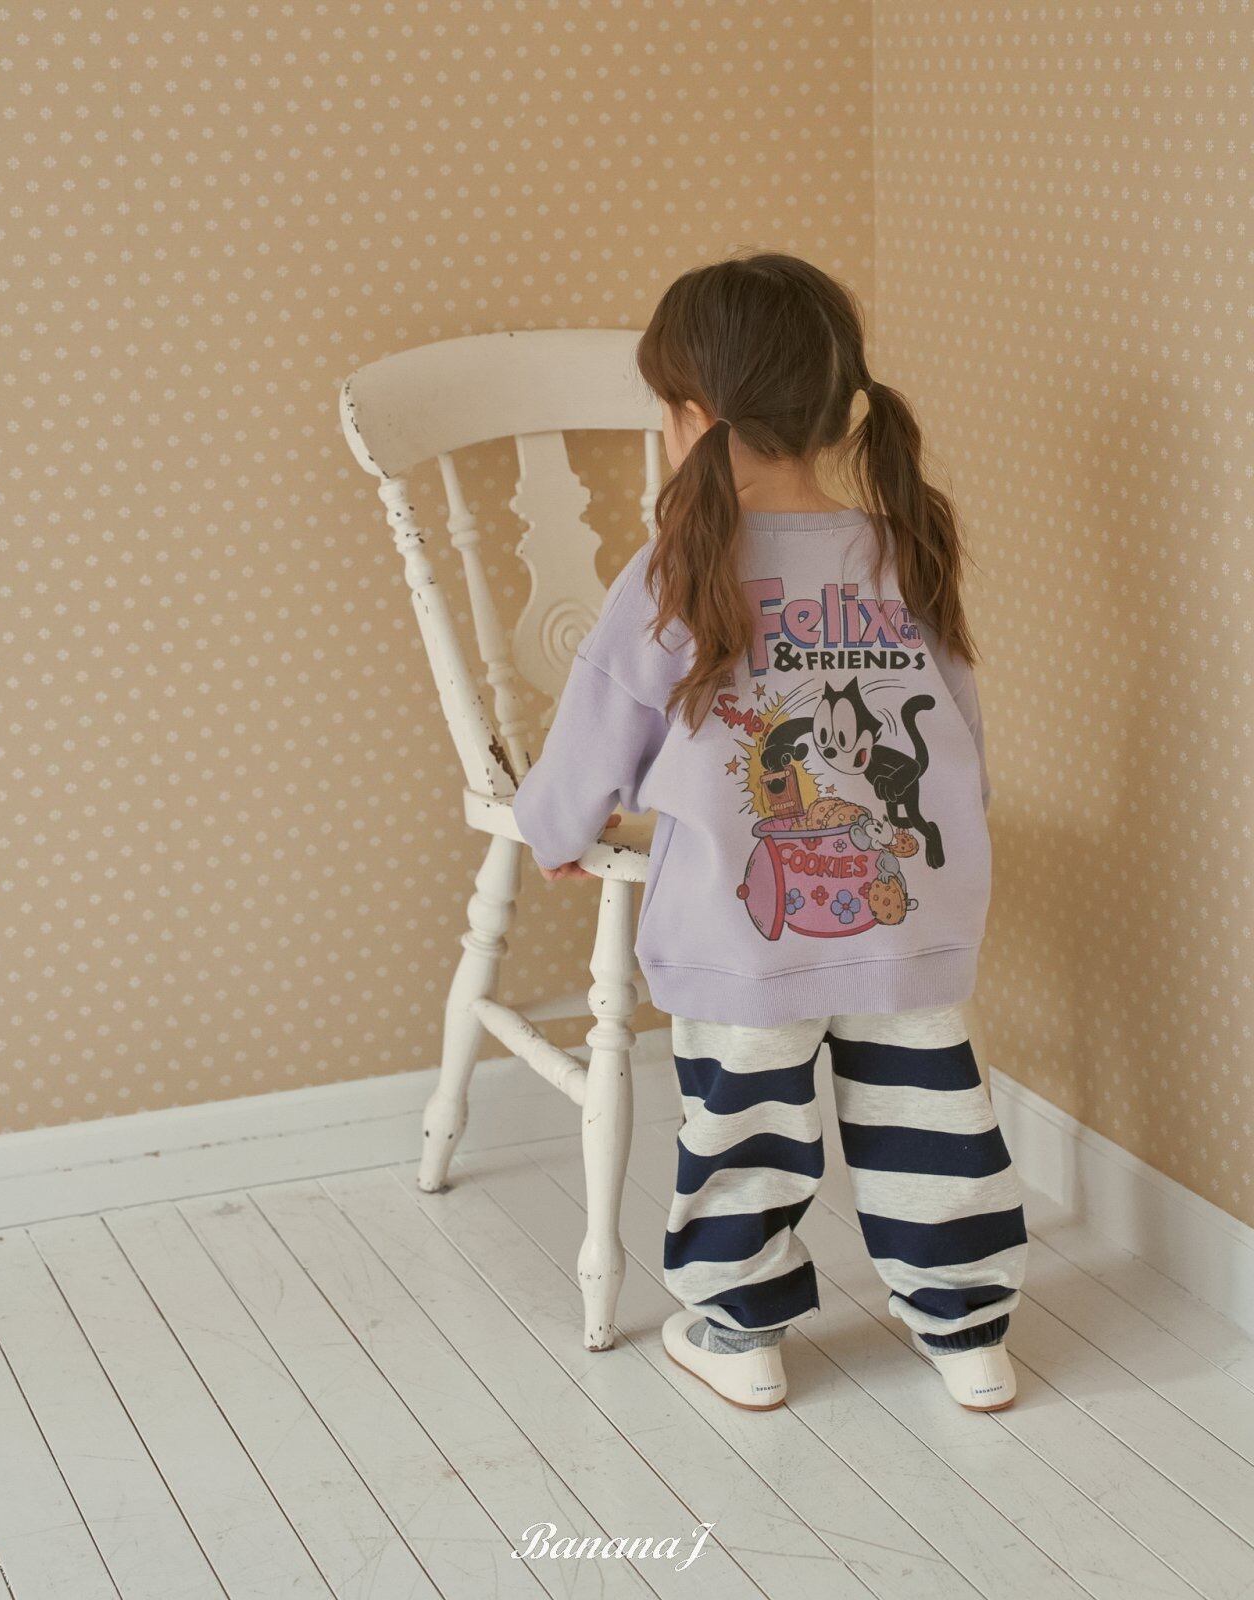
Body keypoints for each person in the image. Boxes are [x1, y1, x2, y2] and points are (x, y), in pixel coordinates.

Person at [512, 253, 1025, 1414]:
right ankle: (968, 1334)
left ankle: (738, 1333)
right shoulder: (900, 546)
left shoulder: (675, 569)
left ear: (692, 416)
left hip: (740, 932)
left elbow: (596, 726)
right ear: (838, 407)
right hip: (906, 911)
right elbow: (958, 732)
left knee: (742, 1129)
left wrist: (555, 827)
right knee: (933, 1124)